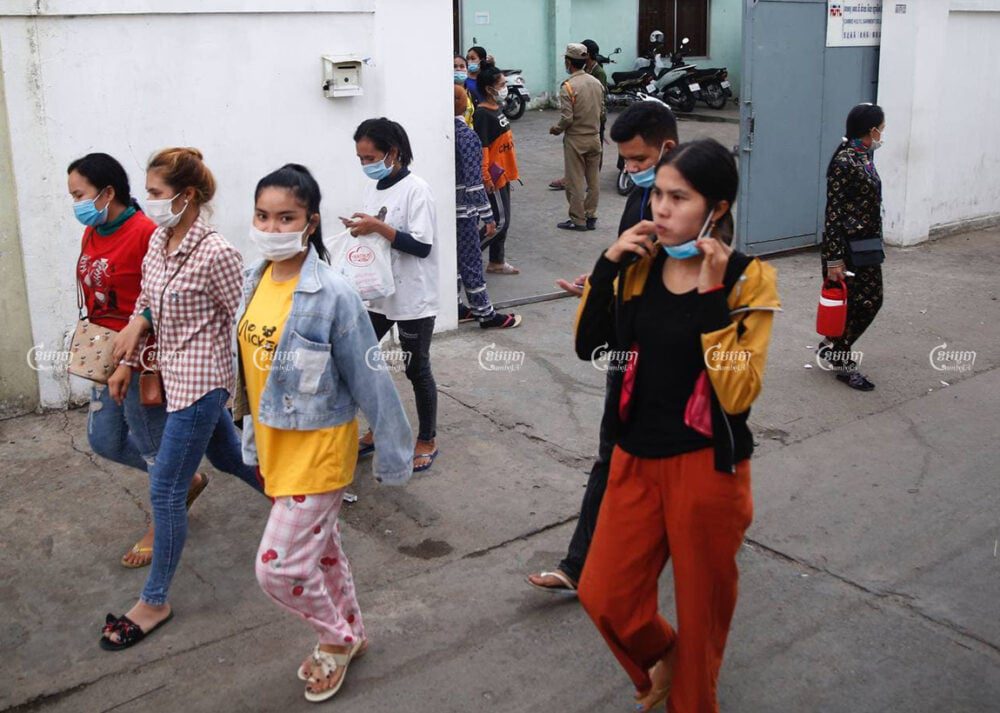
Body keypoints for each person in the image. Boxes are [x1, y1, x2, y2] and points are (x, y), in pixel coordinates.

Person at [574, 139, 780, 712]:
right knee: (605, 595)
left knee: (702, 613)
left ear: (716, 208)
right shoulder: (640, 267)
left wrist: (712, 295)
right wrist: (607, 264)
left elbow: (737, 392)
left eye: (677, 198)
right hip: (634, 458)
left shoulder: (748, 279)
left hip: (708, 467)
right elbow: (591, 345)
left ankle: (691, 689)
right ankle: (667, 654)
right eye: (657, 195)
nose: (659, 209)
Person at [235, 163, 413, 703]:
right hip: (273, 444)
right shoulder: (256, 277)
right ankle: (352, 636)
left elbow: (369, 375)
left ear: (309, 223)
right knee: (324, 553)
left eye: (286, 217)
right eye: (263, 216)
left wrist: (394, 453)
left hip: (319, 451)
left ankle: (334, 639)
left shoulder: (333, 294)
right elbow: (251, 374)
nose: (272, 227)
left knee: (279, 568)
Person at [101, 147, 265, 651]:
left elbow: (241, 319)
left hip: (202, 383)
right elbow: (148, 299)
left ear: (186, 195)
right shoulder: (158, 240)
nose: (147, 203)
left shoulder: (218, 253)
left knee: (167, 490)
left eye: (154, 194)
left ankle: (154, 600)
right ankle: (302, 508)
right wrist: (133, 340)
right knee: (230, 457)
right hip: (168, 372)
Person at [528, 100, 678, 593]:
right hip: (626, 347)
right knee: (611, 454)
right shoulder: (641, 198)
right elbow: (629, 263)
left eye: (637, 161)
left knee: (679, 454)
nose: (629, 170)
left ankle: (699, 523)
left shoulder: (686, 211)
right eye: (625, 161)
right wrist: (600, 279)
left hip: (668, 360)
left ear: (667, 149)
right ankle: (579, 564)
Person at [67, 153, 210, 570]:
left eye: (79, 194)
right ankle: (186, 480)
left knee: (152, 446)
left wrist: (132, 358)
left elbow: (156, 301)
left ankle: (163, 517)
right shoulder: (94, 231)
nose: (74, 203)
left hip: (140, 356)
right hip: (105, 350)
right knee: (105, 440)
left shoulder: (145, 233)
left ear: (107, 192)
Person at [344, 118, 440, 473]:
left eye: (370, 157)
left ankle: (427, 438)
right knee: (361, 362)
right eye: (361, 159)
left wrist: (377, 227)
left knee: (417, 368)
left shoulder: (418, 190)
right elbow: (379, 233)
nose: (366, 164)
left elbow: (421, 245)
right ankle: (377, 429)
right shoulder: (375, 188)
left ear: (393, 152)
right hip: (378, 292)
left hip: (413, 294)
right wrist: (360, 231)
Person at [819, 103, 886, 391]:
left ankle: (834, 345)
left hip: (866, 244)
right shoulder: (845, 161)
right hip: (847, 248)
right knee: (861, 303)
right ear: (870, 130)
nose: (883, 134)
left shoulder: (864, 156)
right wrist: (834, 259)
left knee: (869, 300)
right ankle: (843, 361)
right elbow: (833, 212)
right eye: (881, 129)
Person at [453, 85, 522, 328]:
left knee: (456, 262)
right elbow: (473, 185)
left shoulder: (443, 133)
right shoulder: (466, 136)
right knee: (471, 262)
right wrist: (488, 216)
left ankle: (456, 306)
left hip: (448, 210)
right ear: (466, 105)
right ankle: (485, 313)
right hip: (465, 213)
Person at [550, 43, 604, 231]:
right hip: (594, 137)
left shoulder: (569, 86)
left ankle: (578, 219)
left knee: (575, 181)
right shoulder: (596, 82)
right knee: (593, 179)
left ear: (568, 62)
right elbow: (602, 111)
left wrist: (556, 129)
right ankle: (591, 216)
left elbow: (567, 118)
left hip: (576, 139)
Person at [474, 64, 521, 275]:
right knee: (499, 222)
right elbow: (483, 147)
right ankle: (465, 257)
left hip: (504, 174)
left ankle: (496, 262)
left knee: (504, 221)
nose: (505, 88)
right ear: (489, 89)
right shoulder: (482, 114)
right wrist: (485, 175)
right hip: (493, 177)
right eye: (501, 85)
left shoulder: (498, 108)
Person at [453, 55, 475, 126]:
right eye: (455, 66)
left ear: (467, 70)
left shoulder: (468, 92)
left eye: (462, 66)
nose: (458, 69)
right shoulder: (449, 93)